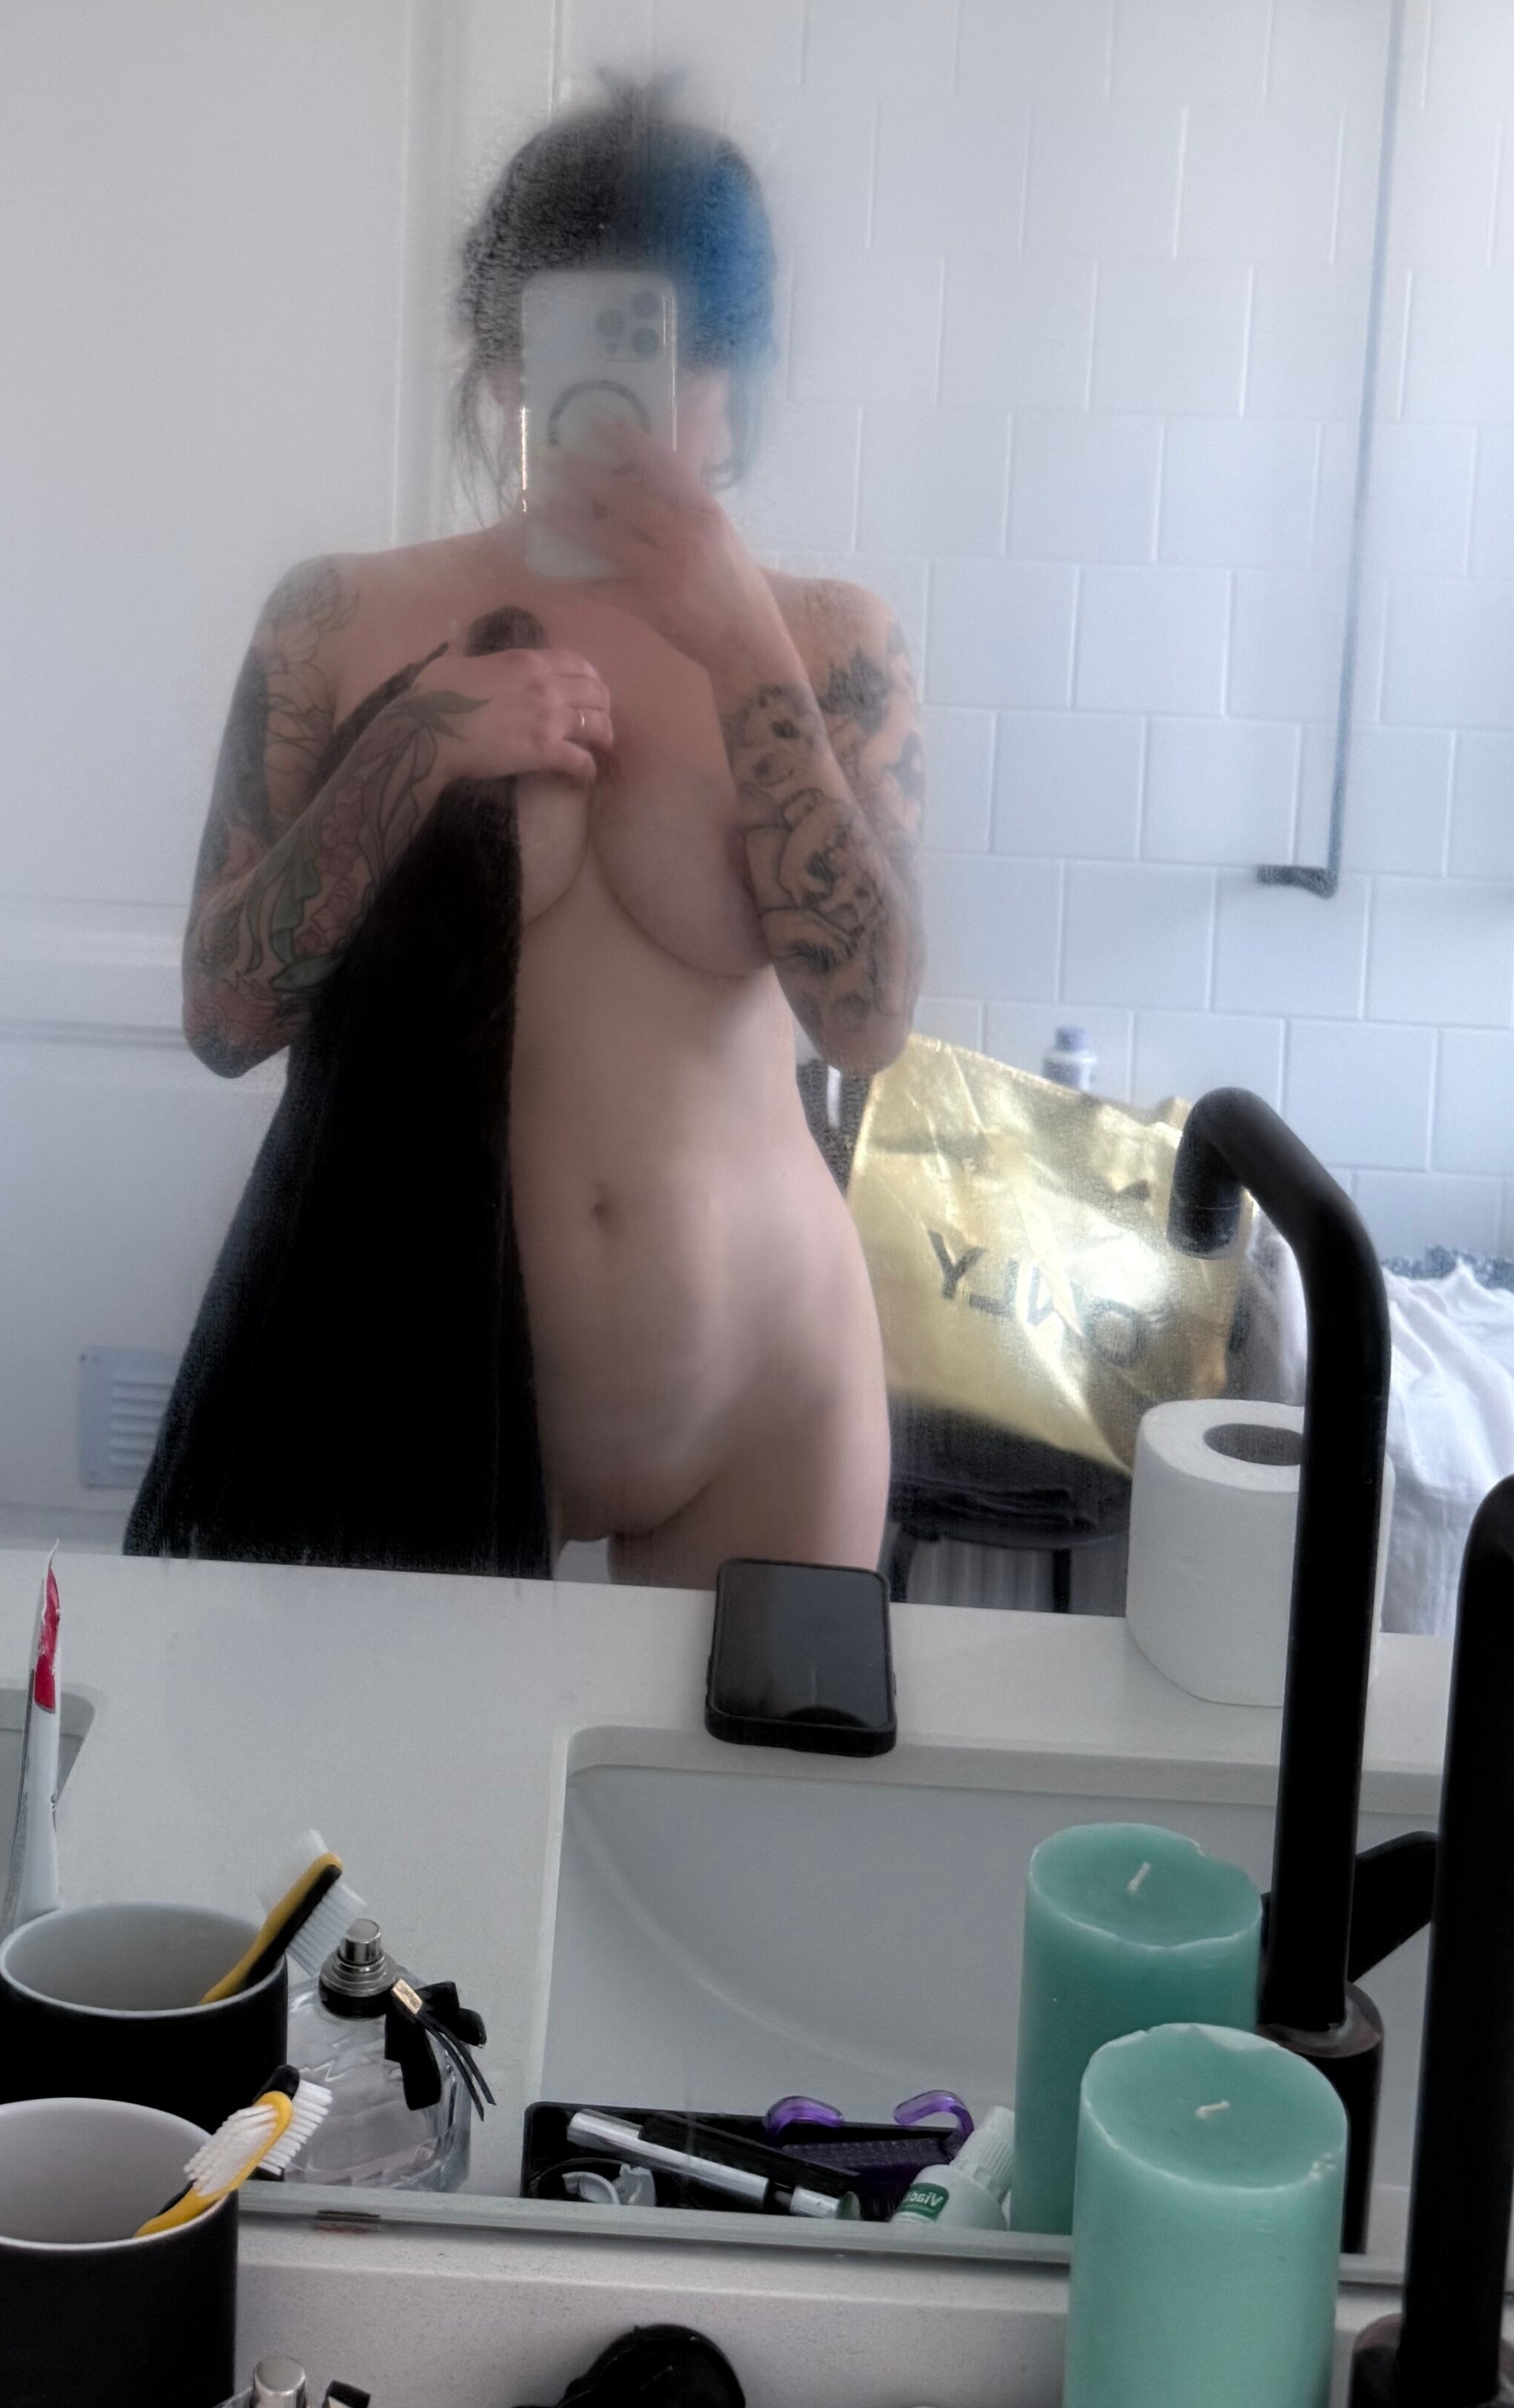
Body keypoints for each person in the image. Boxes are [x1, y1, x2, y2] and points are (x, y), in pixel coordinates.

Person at [129, 82, 923, 1585]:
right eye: (592, 337)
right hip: (419, 1381)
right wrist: (418, 740)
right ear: (503, 356)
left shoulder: (828, 641)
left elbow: (867, 1021)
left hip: (772, 1398)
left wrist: (743, 647)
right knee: (383, 1758)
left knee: (740, 1761)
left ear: (742, 367)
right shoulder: (343, 622)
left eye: (687, 346)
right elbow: (225, 1015)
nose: (648, 402)